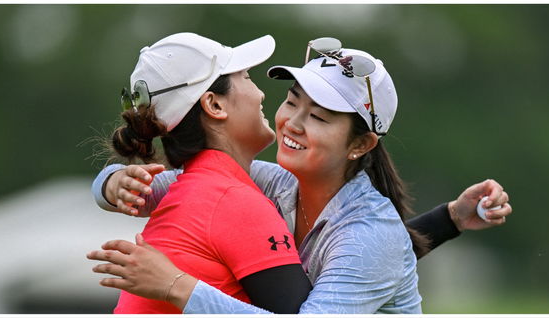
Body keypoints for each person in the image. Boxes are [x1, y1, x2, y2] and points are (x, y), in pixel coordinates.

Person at [88, 37, 512, 314]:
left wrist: (177, 286)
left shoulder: (372, 235)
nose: (293, 123)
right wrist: (110, 184)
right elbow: (151, 191)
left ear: (360, 145)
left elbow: (369, 248)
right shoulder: (270, 182)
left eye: (320, 118)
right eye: (292, 102)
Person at [101, 32, 314, 314]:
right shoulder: (231, 199)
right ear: (214, 105)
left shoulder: (199, 190)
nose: (261, 93)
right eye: (247, 78)